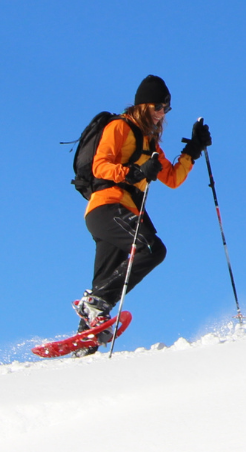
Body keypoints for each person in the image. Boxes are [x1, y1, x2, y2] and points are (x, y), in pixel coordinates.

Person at [70, 75, 210, 353]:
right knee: (151, 250)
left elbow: (171, 177)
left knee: (105, 281)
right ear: (143, 106)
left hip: (123, 212)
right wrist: (134, 173)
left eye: (166, 109)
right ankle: (96, 302)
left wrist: (192, 150)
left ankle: (83, 346)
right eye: (158, 107)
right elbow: (101, 166)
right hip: (107, 206)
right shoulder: (119, 127)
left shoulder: (149, 142)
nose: (161, 114)